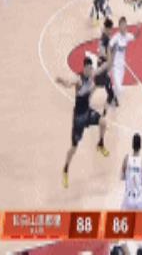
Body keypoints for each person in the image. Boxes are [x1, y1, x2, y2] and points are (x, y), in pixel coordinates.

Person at [56, 57, 111, 188]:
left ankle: (100, 144)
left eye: (91, 68)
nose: (90, 70)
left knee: (103, 122)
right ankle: (65, 169)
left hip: (88, 112)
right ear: (84, 68)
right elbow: (69, 83)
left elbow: (103, 68)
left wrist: (111, 58)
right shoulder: (79, 79)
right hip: (79, 118)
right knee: (74, 148)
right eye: (88, 68)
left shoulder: (92, 74)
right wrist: (61, 81)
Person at [109, 17, 141, 106]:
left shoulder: (127, 36)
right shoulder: (115, 38)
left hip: (122, 66)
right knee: (119, 88)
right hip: (115, 66)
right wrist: (109, 60)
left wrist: (138, 29)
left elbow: (135, 37)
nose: (124, 27)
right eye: (122, 25)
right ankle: (112, 96)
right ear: (119, 26)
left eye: (125, 25)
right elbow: (109, 47)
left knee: (117, 86)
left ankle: (112, 98)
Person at [121, 133, 142, 210]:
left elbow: (122, 177)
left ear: (132, 145)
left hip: (128, 200)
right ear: (140, 146)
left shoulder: (126, 159)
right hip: (139, 200)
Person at [95, 18, 116, 114]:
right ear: (107, 29)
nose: (112, 31)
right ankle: (104, 112)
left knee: (107, 82)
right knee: (100, 83)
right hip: (103, 64)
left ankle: (112, 97)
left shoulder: (105, 36)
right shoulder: (105, 39)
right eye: (111, 29)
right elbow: (102, 52)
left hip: (103, 64)